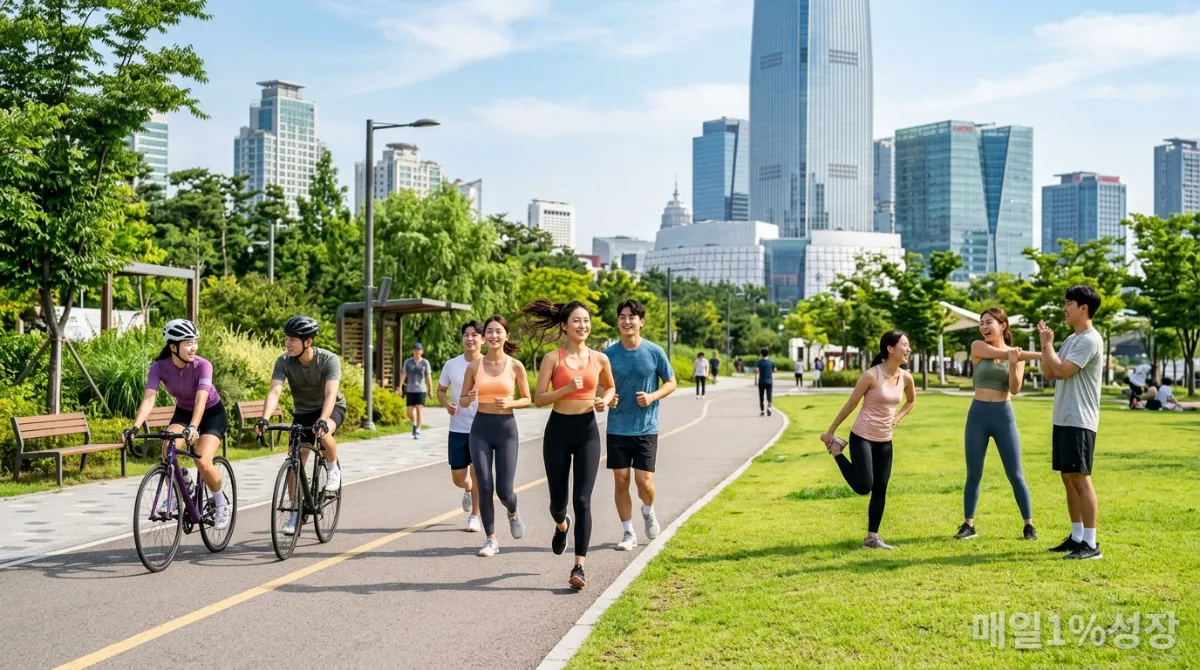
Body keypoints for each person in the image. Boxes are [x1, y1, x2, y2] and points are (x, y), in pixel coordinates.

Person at [526, 300, 617, 591]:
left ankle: (579, 566)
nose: (583, 326)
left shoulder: (600, 359)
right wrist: (565, 389)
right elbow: (538, 398)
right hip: (558, 431)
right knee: (558, 502)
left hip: (588, 431)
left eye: (586, 321)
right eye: (576, 321)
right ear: (564, 326)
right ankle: (561, 524)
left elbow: (610, 386)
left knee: (583, 501)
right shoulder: (553, 358)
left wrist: (605, 399)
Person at [128, 319, 230, 530]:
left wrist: (193, 427)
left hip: (211, 412)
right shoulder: (158, 367)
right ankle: (179, 490)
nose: (194, 347)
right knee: (168, 446)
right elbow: (149, 398)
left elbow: (201, 399)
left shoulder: (203, 365)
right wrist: (135, 426)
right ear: (173, 347)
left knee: (202, 460)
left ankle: (221, 502)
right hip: (183, 411)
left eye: (195, 342)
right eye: (188, 343)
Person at [820, 331, 916, 550]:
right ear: (890, 349)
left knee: (880, 488)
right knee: (864, 486)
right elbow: (851, 404)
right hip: (862, 436)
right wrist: (830, 432)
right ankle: (836, 450)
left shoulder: (906, 377)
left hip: (885, 440)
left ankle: (872, 538)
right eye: (905, 345)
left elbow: (911, 401)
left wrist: (897, 418)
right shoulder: (872, 375)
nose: (908, 349)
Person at [256, 316, 348, 536]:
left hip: (331, 407)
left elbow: (330, 394)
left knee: (325, 436)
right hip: (303, 413)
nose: (287, 344)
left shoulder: (329, 360)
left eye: (292, 340)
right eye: (286, 339)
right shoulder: (284, 361)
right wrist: (264, 418)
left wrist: (323, 420)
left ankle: (333, 469)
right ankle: (295, 513)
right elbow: (275, 391)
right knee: (295, 459)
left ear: (308, 341)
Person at [955, 308, 1037, 542]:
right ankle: (968, 524)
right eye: (981, 323)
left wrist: (1014, 362)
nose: (984, 327)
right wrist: (1017, 354)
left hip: (1003, 415)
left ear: (1003, 325)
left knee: (1015, 474)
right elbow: (994, 352)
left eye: (989, 322)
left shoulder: (1016, 356)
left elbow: (1015, 388)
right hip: (977, 415)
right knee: (974, 473)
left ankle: (1028, 525)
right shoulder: (978, 347)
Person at [1037, 285, 1105, 561]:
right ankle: (1077, 537)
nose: (1064, 308)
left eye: (1068, 304)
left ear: (1083, 308)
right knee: (1068, 477)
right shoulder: (1070, 340)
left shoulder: (1090, 339)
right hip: (1063, 418)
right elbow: (1049, 373)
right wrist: (1046, 346)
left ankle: (1091, 543)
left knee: (1081, 479)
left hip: (1080, 419)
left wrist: (1047, 345)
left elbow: (1063, 370)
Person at [604, 300, 677, 551]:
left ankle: (648, 510)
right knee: (621, 481)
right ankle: (628, 532)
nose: (626, 321)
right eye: (622, 316)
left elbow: (671, 382)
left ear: (641, 321)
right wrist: (607, 397)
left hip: (646, 428)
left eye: (632, 317)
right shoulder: (609, 355)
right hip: (617, 428)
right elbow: (600, 385)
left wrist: (653, 396)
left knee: (644, 482)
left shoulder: (654, 351)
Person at [458, 315, 533, 557]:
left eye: (498, 331)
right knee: (485, 484)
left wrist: (511, 402)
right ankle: (491, 539)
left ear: (506, 335)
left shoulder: (515, 365)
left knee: (504, 490)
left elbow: (528, 398)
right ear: (484, 336)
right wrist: (468, 398)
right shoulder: (474, 366)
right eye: (489, 331)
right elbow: (461, 399)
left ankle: (512, 511)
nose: (493, 335)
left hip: (506, 430)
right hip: (480, 428)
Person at [436, 321, 484, 533]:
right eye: (466, 334)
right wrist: (447, 404)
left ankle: (475, 515)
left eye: (475, 335)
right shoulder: (451, 364)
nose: (470, 338)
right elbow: (440, 390)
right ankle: (468, 489)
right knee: (459, 478)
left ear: (482, 339)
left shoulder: (490, 364)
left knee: (478, 472)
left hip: (482, 427)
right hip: (457, 428)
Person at [754, 347, 776, 417]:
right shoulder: (772, 362)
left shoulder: (759, 362)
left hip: (761, 382)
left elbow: (756, 371)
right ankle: (769, 406)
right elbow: (775, 370)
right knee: (769, 395)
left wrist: (755, 380)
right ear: (768, 353)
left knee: (761, 396)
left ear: (761, 354)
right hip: (769, 381)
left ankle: (762, 411)